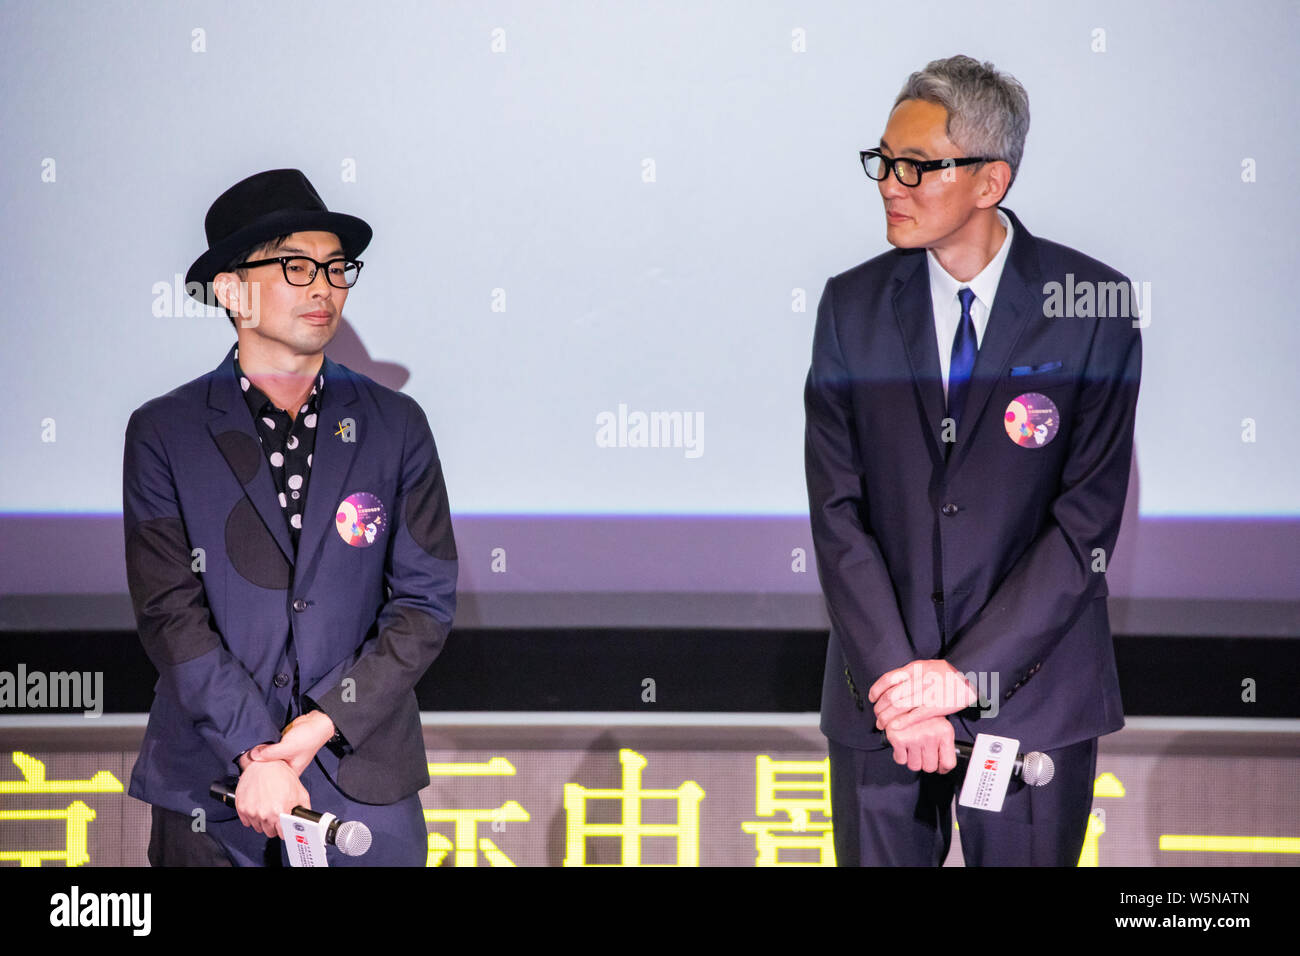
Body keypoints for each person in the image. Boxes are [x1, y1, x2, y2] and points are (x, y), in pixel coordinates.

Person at [804, 56, 1141, 866]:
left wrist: (966, 679)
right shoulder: (852, 306)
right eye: (883, 161)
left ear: (991, 180)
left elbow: (1083, 526)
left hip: (1033, 700)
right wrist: (903, 689)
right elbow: (837, 513)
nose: (891, 182)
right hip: (880, 704)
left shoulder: (1091, 307)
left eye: (917, 166)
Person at [123, 168, 457, 865]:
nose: (324, 286)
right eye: (297, 266)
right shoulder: (165, 431)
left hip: (360, 772)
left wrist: (321, 724)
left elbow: (425, 602)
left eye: (337, 269)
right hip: (208, 785)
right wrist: (257, 750)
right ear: (231, 289)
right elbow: (167, 610)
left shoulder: (394, 424)